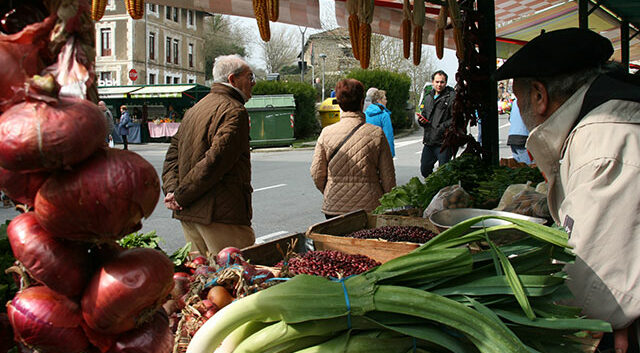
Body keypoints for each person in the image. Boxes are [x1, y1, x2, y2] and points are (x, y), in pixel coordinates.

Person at [494, 27, 640, 353]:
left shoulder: (604, 142)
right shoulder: (604, 119)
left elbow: (598, 291)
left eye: (518, 99)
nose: (519, 109)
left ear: (539, 96)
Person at [161, 54, 256, 256]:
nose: (253, 83)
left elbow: (171, 156)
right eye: (249, 77)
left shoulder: (195, 109)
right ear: (232, 79)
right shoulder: (234, 111)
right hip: (220, 216)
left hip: (190, 215)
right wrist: (179, 195)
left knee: (204, 278)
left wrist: (173, 192)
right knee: (233, 277)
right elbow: (216, 161)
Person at [311, 78, 396, 219]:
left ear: (339, 102)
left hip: (334, 206)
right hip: (369, 206)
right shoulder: (376, 134)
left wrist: (330, 190)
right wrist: (387, 202)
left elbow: (316, 172)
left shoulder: (326, 133)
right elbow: (388, 177)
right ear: (362, 102)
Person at [418, 70, 456, 177]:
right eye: (437, 82)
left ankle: (443, 190)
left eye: (442, 82)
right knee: (425, 169)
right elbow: (425, 113)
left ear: (446, 83)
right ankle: (433, 188)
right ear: (433, 82)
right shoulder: (429, 96)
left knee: (444, 172)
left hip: (443, 142)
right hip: (429, 140)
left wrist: (441, 127)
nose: (439, 85)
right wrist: (421, 121)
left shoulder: (451, 97)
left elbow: (455, 118)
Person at [364, 89, 395, 157]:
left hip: (367, 150)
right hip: (380, 151)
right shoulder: (384, 115)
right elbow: (388, 135)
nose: (386, 101)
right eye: (384, 99)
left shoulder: (365, 114)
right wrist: (391, 154)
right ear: (378, 100)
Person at [506, 99, 532, 164]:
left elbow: (510, 119)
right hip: (523, 137)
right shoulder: (531, 101)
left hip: (512, 136)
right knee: (527, 167)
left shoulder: (515, 102)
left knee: (517, 166)